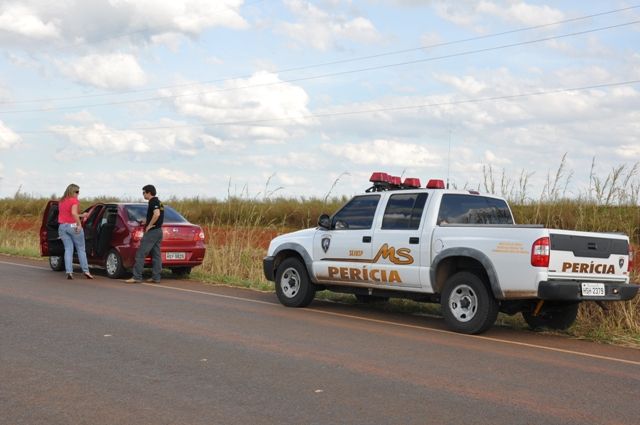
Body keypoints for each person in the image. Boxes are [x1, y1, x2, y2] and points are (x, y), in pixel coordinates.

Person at [125, 184, 164, 284]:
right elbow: (156, 215)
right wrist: (146, 221)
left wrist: (149, 225)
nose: (143, 194)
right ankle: (156, 277)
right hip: (159, 231)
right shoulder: (159, 202)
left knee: (141, 253)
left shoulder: (153, 201)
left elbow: (157, 214)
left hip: (152, 232)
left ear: (149, 192)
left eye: (144, 192)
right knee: (156, 255)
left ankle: (137, 277)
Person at [58, 183, 94, 280]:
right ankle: (86, 271)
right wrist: (79, 224)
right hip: (72, 226)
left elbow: (69, 214)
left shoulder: (61, 201)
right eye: (77, 192)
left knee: (68, 249)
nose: (78, 194)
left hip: (62, 227)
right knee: (81, 249)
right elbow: (73, 213)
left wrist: (82, 215)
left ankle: (69, 272)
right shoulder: (74, 200)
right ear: (72, 191)